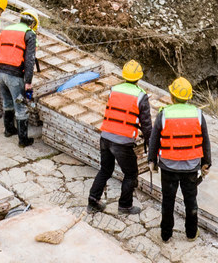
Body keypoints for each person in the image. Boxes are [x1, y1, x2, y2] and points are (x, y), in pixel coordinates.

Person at [148, 76, 211, 244]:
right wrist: (206, 162)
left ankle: (166, 235)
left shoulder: (164, 114)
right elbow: (205, 140)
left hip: (168, 166)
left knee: (167, 201)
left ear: (172, 96)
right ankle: (191, 234)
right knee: (191, 201)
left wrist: (151, 161)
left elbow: (154, 140)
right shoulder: (198, 114)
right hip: (191, 167)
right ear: (189, 97)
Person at [88, 60, 152, 215]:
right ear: (139, 78)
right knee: (130, 174)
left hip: (106, 137)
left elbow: (119, 111)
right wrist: (150, 144)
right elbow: (146, 125)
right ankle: (125, 206)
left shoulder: (114, 89)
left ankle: (93, 201)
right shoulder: (141, 96)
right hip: (122, 142)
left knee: (105, 169)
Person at [0, 9, 39, 148]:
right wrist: (28, 82)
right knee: (21, 107)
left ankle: (9, 130)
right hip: (14, 75)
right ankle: (23, 140)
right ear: (32, 24)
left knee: (7, 102)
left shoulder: (8, 29)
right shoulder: (29, 34)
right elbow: (29, 60)